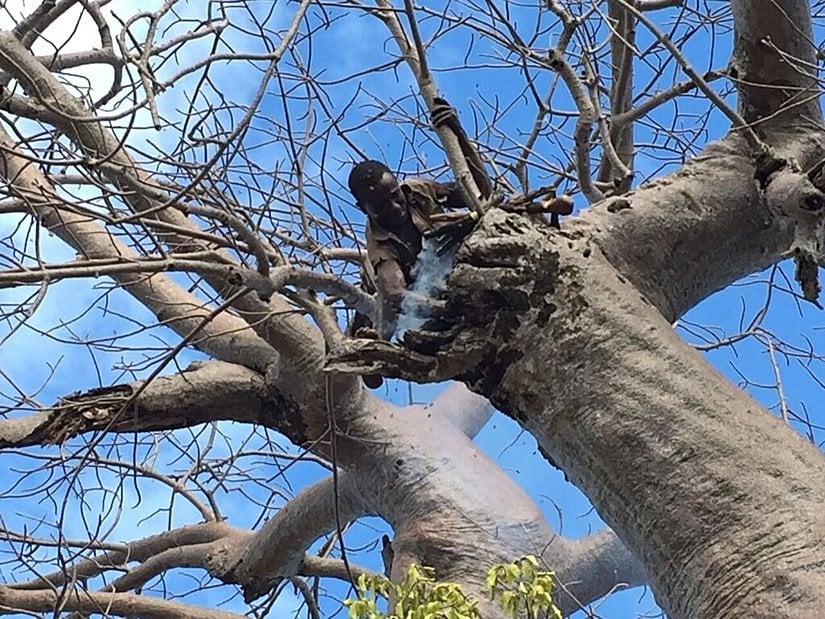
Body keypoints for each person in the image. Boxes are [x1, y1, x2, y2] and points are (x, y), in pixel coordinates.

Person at [347, 98, 493, 343]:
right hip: (423, 295)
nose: (395, 207)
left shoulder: (418, 190)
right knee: (387, 318)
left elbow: (480, 193)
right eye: (382, 206)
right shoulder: (380, 243)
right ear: (364, 209)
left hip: (455, 260)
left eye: (395, 196)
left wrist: (458, 133)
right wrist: (447, 308)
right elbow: (395, 293)